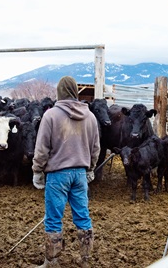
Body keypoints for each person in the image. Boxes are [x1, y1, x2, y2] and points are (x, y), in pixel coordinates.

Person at [32, 76, 101, 267]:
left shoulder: (51, 115)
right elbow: (96, 148)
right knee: (82, 215)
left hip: (58, 174)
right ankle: (85, 260)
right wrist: (91, 168)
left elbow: (42, 148)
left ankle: (51, 262)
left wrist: (37, 170)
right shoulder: (90, 117)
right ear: (75, 92)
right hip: (80, 174)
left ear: (59, 92)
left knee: (54, 218)